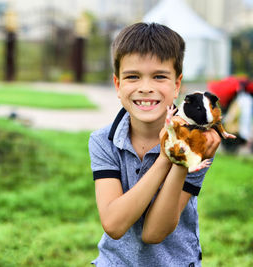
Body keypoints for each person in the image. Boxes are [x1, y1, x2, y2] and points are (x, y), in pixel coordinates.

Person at [88, 22, 221, 266]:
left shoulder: (199, 142)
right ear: (118, 85)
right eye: (133, 77)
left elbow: (154, 233)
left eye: (159, 76)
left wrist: (182, 160)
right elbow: (114, 225)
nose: (146, 88)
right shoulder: (102, 141)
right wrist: (165, 157)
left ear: (177, 85)